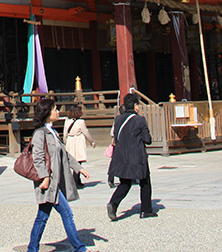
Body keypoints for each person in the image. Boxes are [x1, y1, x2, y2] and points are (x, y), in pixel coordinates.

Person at [25, 98, 92, 252]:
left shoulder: (53, 132)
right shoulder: (40, 134)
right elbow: (38, 157)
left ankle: (32, 249)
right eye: (55, 109)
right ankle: (80, 248)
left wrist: (78, 168)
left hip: (54, 182)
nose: (57, 111)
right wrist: (45, 177)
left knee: (42, 218)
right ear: (47, 113)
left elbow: (65, 154)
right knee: (67, 213)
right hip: (48, 183)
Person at [106, 92, 155, 221]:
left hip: (122, 155)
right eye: (138, 104)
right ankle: (146, 210)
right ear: (135, 106)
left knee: (125, 183)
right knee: (145, 182)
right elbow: (147, 139)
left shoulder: (119, 119)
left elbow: (116, 137)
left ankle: (113, 203)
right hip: (137, 156)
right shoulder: (140, 120)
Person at [63, 104, 95, 188]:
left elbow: (65, 132)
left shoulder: (67, 120)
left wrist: (65, 141)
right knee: (78, 162)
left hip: (70, 140)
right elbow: (86, 132)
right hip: (77, 141)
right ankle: (75, 180)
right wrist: (91, 141)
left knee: (73, 160)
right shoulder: (80, 122)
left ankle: (77, 179)